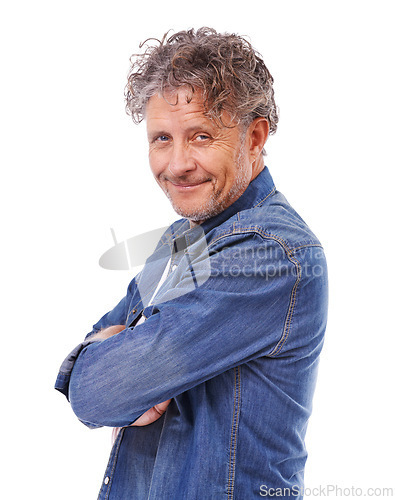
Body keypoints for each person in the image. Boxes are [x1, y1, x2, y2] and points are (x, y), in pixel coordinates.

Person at [55, 28, 328, 500]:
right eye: (162, 138)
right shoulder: (180, 240)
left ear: (255, 137)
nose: (177, 163)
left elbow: (103, 392)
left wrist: (127, 365)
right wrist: (113, 365)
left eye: (201, 136)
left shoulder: (271, 254)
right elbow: (90, 388)